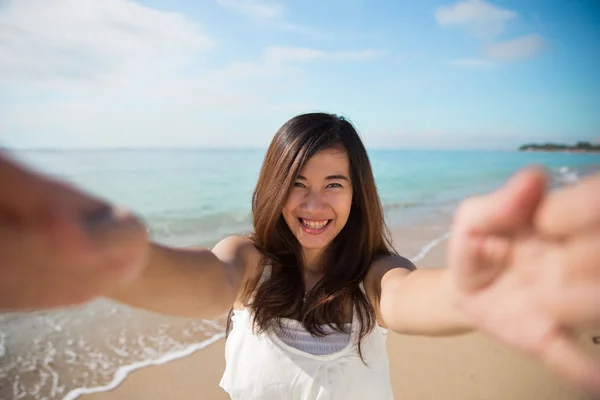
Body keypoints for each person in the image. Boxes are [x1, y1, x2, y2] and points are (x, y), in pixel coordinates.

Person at [1, 113, 599, 398]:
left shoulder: (373, 273)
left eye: (334, 183)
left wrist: (474, 292)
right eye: (298, 181)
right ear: (273, 184)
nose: (314, 203)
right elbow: (204, 282)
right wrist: (117, 264)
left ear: (357, 192)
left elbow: (411, 297)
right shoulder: (249, 260)